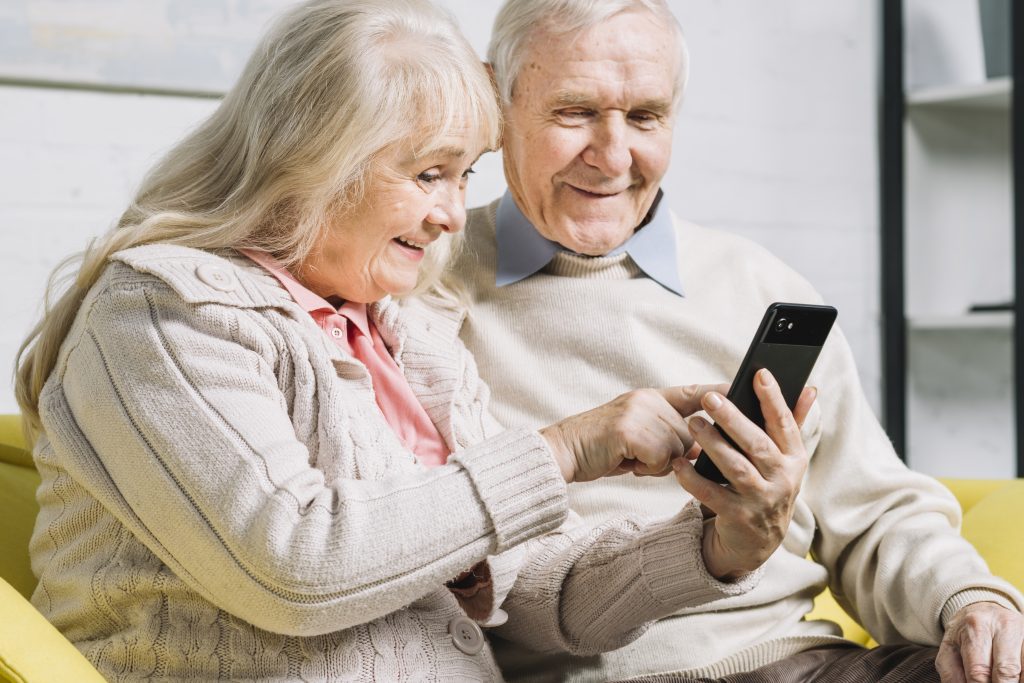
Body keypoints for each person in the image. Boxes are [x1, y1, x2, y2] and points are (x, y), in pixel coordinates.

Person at [12, 1, 811, 680]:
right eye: (429, 173)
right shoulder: (162, 310)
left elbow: (539, 589)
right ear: (315, 159)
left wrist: (716, 546)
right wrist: (565, 448)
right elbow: (295, 564)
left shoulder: (403, 332)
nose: (451, 213)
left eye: (466, 175)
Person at [452, 1, 1024, 682]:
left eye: (644, 117)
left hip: (804, 664)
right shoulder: (423, 289)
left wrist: (970, 601)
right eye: (574, 112)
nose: (612, 157)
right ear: (496, 99)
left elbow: (874, 517)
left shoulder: (760, 286)